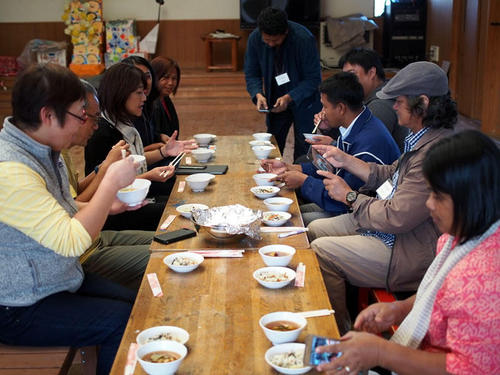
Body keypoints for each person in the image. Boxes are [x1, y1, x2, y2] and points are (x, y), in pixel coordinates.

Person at [314, 130, 500, 375]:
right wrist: (400, 309)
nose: (429, 204)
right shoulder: (457, 237)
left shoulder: (484, 278)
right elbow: (440, 295)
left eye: (438, 196)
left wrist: (382, 353)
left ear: (470, 199)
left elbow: (469, 369)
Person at [0, 63, 139, 375]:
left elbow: (59, 211)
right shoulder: (10, 169)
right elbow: (71, 240)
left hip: (57, 281)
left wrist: (107, 207)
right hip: (19, 305)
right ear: (48, 115)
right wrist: (111, 182)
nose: (82, 124)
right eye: (80, 115)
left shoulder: (42, 148)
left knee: (137, 305)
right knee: (120, 322)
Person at [308, 62, 457, 334]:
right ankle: (348, 308)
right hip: (388, 228)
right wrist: (346, 159)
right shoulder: (422, 137)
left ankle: (339, 332)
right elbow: (392, 173)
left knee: (322, 252)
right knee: (314, 229)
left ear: (422, 103)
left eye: (399, 101)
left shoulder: (435, 152)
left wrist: (351, 196)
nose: (394, 107)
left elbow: (396, 216)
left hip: (405, 247)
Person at [261, 72, 400, 226]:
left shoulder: (368, 143)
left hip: (365, 217)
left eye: (325, 106)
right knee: (293, 212)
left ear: (341, 108)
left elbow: (343, 200)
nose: (323, 112)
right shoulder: (357, 124)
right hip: (345, 206)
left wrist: (304, 182)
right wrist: (291, 167)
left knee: (295, 222)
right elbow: (332, 170)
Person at [61, 80, 153, 289]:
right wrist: (107, 174)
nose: (95, 124)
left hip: (95, 237)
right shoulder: (26, 161)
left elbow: (74, 193)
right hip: (83, 252)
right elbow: (71, 207)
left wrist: (102, 168)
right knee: (161, 257)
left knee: (166, 242)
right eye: (92, 117)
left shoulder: (60, 151)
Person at [84, 62, 191, 201]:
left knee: (183, 189)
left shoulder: (125, 123)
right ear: (121, 93)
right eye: (139, 93)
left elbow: (134, 159)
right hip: (115, 206)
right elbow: (100, 188)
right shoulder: (102, 131)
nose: (144, 98)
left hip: (133, 195)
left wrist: (164, 151)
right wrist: (148, 175)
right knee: (179, 200)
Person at [244, 7, 323, 160]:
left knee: (304, 146)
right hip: (276, 99)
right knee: (273, 143)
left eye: (275, 40)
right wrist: (258, 94)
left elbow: (313, 79)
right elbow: (251, 73)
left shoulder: (304, 39)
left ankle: (299, 182)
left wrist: (289, 97)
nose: (271, 44)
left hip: (305, 100)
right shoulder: (255, 39)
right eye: (267, 40)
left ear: (285, 32)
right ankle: (271, 179)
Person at [339, 48, 409, 152]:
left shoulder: (379, 106)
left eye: (351, 75)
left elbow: (364, 148)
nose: (346, 82)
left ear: (372, 73)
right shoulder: (379, 93)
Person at [151, 56, 181, 141]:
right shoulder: (151, 103)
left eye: (174, 78)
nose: (171, 83)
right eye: (166, 78)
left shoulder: (165, 99)